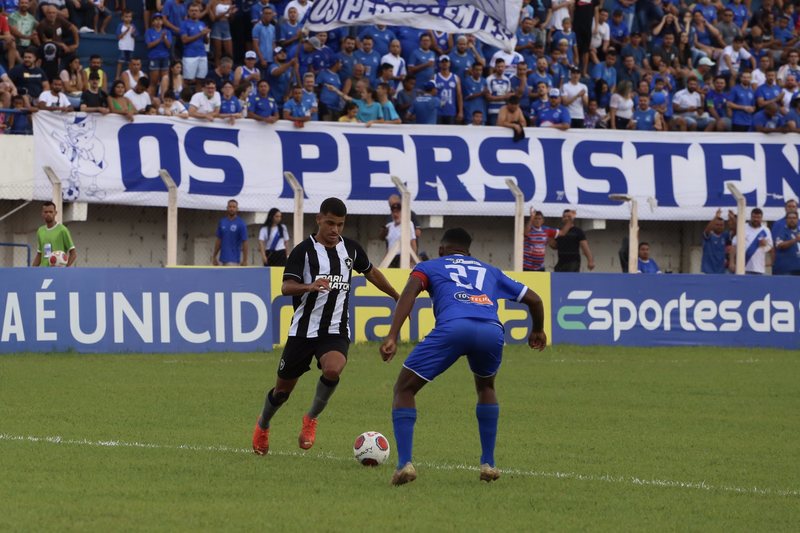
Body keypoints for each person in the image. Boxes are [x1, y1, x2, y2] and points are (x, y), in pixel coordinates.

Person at [379, 227, 546, 485]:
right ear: (469, 252)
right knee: (486, 386)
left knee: (404, 389)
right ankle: (488, 464)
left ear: (441, 249)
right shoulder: (490, 270)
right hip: (491, 331)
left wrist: (393, 335)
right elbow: (535, 300)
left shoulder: (431, 266)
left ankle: (404, 465)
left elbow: (409, 293)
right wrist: (537, 330)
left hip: (453, 328)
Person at [252, 197, 400, 456]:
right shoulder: (303, 251)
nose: (335, 230)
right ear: (319, 219)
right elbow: (286, 287)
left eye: (340, 224)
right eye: (330, 223)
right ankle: (263, 425)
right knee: (282, 392)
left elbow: (372, 272)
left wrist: (397, 296)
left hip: (336, 328)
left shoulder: (351, 250)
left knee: (333, 369)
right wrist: (310, 285)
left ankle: (310, 419)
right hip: (302, 331)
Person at [32, 201, 77, 267]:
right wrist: (31, 270)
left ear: (55, 213)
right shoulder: (40, 231)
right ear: (42, 214)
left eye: (51, 212)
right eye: (46, 212)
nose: (48, 214)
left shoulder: (62, 230)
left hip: (58, 271)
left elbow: (73, 253)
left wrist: (66, 268)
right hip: (43, 270)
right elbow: (39, 254)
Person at [730, 208, 772, 275]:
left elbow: (770, 246)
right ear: (750, 217)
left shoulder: (766, 230)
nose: (756, 219)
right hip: (743, 268)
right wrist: (731, 262)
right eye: (754, 217)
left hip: (758, 268)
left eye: (758, 217)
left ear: (761, 218)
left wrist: (765, 244)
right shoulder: (742, 227)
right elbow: (734, 245)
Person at [380, 201, 417, 267]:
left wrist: (411, 260)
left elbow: (413, 243)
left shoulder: (408, 224)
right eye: (394, 212)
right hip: (391, 257)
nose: (395, 214)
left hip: (403, 256)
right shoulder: (389, 226)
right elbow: (389, 246)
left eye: (398, 212)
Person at [212, 199, 248, 266]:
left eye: (234, 207)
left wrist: (245, 260)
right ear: (227, 208)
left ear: (237, 209)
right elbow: (218, 240)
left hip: (233, 260)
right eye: (230, 207)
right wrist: (214, 256)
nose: (232, 209)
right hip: (221, 259)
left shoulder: (241, 223)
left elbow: (245, 242)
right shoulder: (222, 222)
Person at [523, 207, 557, 271]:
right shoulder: (529, 229)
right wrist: (531, 218)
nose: (537, 221)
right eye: (535, 219)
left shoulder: (545, 230)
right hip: (527, 266)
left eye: (539, 219)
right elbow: (525, 232)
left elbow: (561, 233)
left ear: (543, 221)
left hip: (540, 267)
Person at [701, 208, 733, 274]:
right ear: (713, 225)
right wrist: (716, 217)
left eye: (721, 225)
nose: (719, 227)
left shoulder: (725, 235)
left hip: (721, 270)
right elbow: (707, 230)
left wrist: (732, 218)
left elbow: (735, 230)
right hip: (708, 270)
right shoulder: (709, 235)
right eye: (717, 225)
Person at [772, 211, 800, 276]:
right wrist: (795, 240)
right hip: (785, 270)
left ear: (797, 220)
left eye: (794, 218)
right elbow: (780, 245)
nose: (792, 220)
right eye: (789, 218)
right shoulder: (781, 230)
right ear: (786, 220)